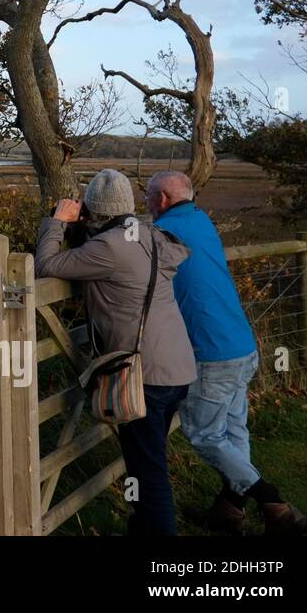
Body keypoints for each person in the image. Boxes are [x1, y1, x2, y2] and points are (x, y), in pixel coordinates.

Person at [147, 169, 307, 535]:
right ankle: (229, 511)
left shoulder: (160, 235)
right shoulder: (201, 221)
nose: (146, 204)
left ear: (161, 200)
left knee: (204, 434)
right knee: (234, 432)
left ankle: (276, 504)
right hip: (242, 346)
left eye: (147, 197)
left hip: (210, 354)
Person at [35, 168, 197, 535]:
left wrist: (57, 222)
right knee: (148, 461)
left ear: (94, 208)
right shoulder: (151, 235)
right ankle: (143, 527)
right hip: (178, 367)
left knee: (148, 473)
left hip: (145, 376)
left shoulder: (107, 247)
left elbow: (45, 265)